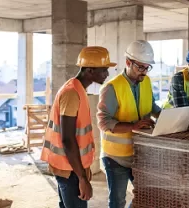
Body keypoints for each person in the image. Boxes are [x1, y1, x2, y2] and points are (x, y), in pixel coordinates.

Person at [40, 46, 116, 208]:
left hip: (72, 167)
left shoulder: (77, 89)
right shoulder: (72, 93)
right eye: (103, 70)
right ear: (89, 70)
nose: (107, 74)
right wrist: (82, 179)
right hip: (70, 170)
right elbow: (67, 140)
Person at [97, 40, 161, 208]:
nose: (144, 72)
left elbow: (152, 106)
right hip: (115, 157)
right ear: (128, 62)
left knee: (146, 196)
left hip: (140, 153)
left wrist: (164, 117)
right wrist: (132, 126)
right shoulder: (112, 88)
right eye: (141, 67)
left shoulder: (146, 82)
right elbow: (104, 122)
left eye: (147, 67)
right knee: (118, 201)